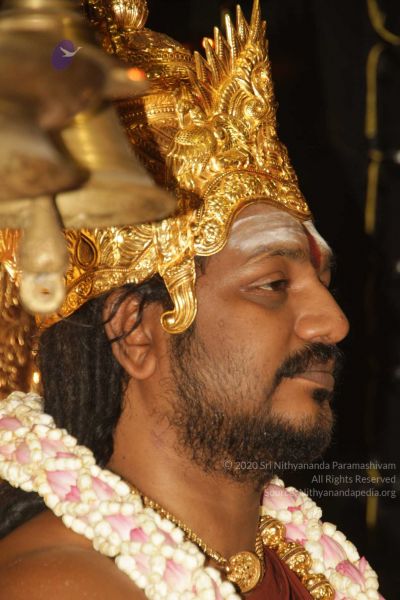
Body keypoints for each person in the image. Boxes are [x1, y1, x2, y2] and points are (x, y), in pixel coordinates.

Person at [0, 1, 383, 598]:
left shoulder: (303, 568)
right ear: (135, 334)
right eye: (272, 285)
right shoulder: (60, 585)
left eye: (323, 281)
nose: (332, 323)